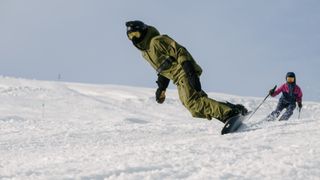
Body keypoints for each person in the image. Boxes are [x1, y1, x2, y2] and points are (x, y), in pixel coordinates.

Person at [125, 20, 248, 124]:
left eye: (136, 34)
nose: (134, 38)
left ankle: (229, 114)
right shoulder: (146, 53)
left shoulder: (157, 41)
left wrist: (190, 73)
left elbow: (180, 52)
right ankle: (233, 110)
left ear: (144, 31)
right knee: (195, 106)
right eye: (131, 36)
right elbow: (163, 69)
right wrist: (161, 88)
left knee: (192, 102)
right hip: (177, 78)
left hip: (184, 71)